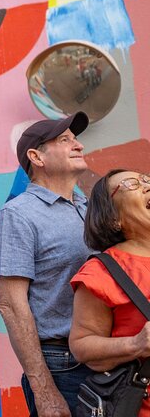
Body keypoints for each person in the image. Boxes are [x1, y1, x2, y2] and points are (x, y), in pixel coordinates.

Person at [0, 111, 93, 417]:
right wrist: (44, 390)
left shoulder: (91, 208)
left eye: (76, 139)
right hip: (62, 365)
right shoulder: (17, 216)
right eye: (65, 140)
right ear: (36, 156)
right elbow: (11, 305)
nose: (78, 146)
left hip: (106, 358)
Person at [69, 169, 150, 417]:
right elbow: (82, 346)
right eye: (131, 184)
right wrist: (136, 344)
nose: (146, 184)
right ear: (114, 219)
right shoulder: (102, 272)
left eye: (146, 178)